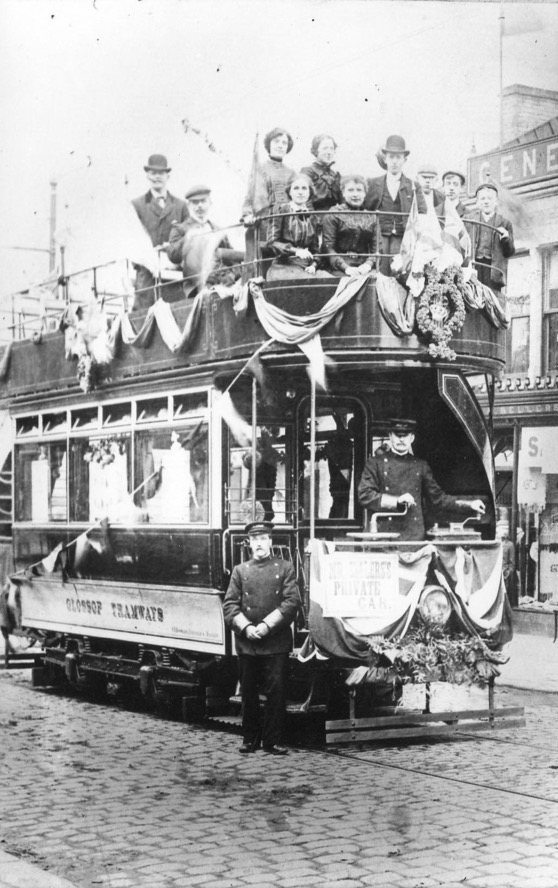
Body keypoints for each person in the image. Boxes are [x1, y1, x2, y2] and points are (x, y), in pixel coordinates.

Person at [222, 521, 301, 755]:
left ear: (270, 542)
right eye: (254, 540)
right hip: (248, 644)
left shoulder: (285, 568)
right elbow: (229, 605)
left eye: (263, 539)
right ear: (249, 543)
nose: (259, 544)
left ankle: (272, 741)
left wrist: (266, 626)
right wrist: (246, 628)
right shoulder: (240, 570)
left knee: (276, 693)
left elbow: (291, 602)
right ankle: (249, 739)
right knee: (248, 694)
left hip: (275, 643)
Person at [357, 418, 486, 540]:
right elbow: (365, 495)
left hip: (413, 538)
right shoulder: (375, 463)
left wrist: (469, 504)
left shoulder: (420, 466)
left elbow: (438, 498)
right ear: (390, 436)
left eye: (405, 435)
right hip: (385, 536)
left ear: (412, 438)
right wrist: (396, 501)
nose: (401, 439)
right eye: (397, 435)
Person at [132, 154, 189, 311]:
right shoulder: (137, 205)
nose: (157, 176)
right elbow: (133, 242)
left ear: (167, 176)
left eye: (161, 173)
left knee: (178, 317)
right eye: (153, 172)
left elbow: (188, 239)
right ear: (147, 175)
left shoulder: (181, 206)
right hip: (147, 278)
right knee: (143, 321)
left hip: (174, 276)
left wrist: (172, 249)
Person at [167, 185, 243, 297]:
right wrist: (188, 237)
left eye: (203, 201)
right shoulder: (180, 229)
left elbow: (234, 260)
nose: (199, 206)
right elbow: (173, 256)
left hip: (224, 284)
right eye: (195, 202)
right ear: (188, 205)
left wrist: (232, 275)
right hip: (196, 287)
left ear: (210, 203)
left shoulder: (218, 230)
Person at [363, 135, 414, 276]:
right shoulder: (373, 183)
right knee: (380, 271)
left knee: (398, 272)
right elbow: (366, 209)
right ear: (385, 159)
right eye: (391, 157)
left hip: (401, 236)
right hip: (380, 235)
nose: (394, 162)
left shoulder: (413, 187)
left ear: (405, 160)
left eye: (398, 157)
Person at [265, 175, 332, 281]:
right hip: (284, 266)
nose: (300, 192)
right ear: (289, 192)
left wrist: (314, 265)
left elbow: (315, 250)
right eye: (296, 188)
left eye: (304, 188)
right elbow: (272, 242)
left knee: (330, 280)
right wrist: (296, 251)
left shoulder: (312, 217)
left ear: (310, 192)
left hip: (307, 267)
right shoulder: (280, 210)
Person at [241, 127, 296, 235]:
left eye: (284, 143)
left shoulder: (292, 173)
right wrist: (247, 215)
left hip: (288, 225)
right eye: (276, 142)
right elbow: (250, 198)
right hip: (265, 224)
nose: (280, 146)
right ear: (269, 144)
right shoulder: (259, 170)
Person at [322, 175, 377, 276]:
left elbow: (377, 248)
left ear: (365, 193)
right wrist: (346, 268)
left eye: (359, 190)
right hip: (338, 268)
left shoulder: (372, 217)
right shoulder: (333, 214)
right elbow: (328, 248)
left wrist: (367, 265)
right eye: (350, 190)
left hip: (363, 267)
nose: (355, 194)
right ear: (343, 193)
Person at [465, 183, 515, 291]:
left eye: (490, 198)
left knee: (491, 301)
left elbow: (509, 252)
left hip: (493, 270)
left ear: (496, 201)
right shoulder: (468, 220)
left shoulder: (505, 223)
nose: (486, 201)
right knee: (472, 298)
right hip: (474, 265)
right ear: (477, 202)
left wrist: (506, 239)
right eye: (482, 198)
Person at [300, 134, 342, 212]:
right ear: (316, 151)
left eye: (331, 148)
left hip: (333, 218)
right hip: (314, 217)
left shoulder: (335, 174)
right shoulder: (307, 172)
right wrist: (312, 219)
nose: (329, 152)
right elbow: (304, 200)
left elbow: (342, 201)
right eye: (325, 148)